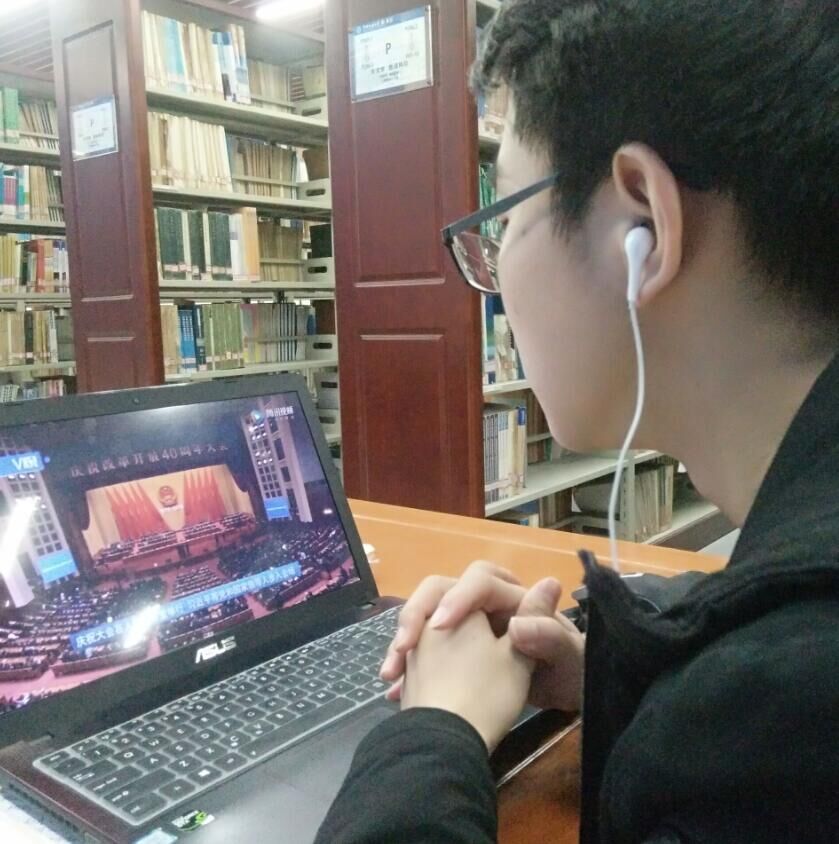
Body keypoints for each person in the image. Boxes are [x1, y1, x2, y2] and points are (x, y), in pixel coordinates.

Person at [316, 1, 839, 841]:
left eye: (502, 220)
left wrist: (433, 730)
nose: (491, 274)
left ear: (643, 226)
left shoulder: (767, 731)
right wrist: (608, 671)